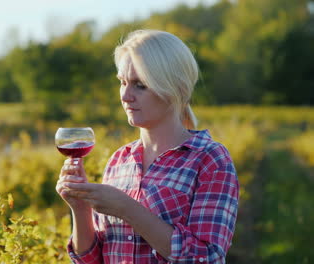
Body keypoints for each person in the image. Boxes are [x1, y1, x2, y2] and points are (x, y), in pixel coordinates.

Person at [56, 29, 239, 264]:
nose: (125, 96)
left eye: (139, 85)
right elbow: (93, 260)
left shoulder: (209, 159)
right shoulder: (119, 161)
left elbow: (206, 257)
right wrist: (80, 209)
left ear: (176, 88)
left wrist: (127, 208)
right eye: (122, 82)